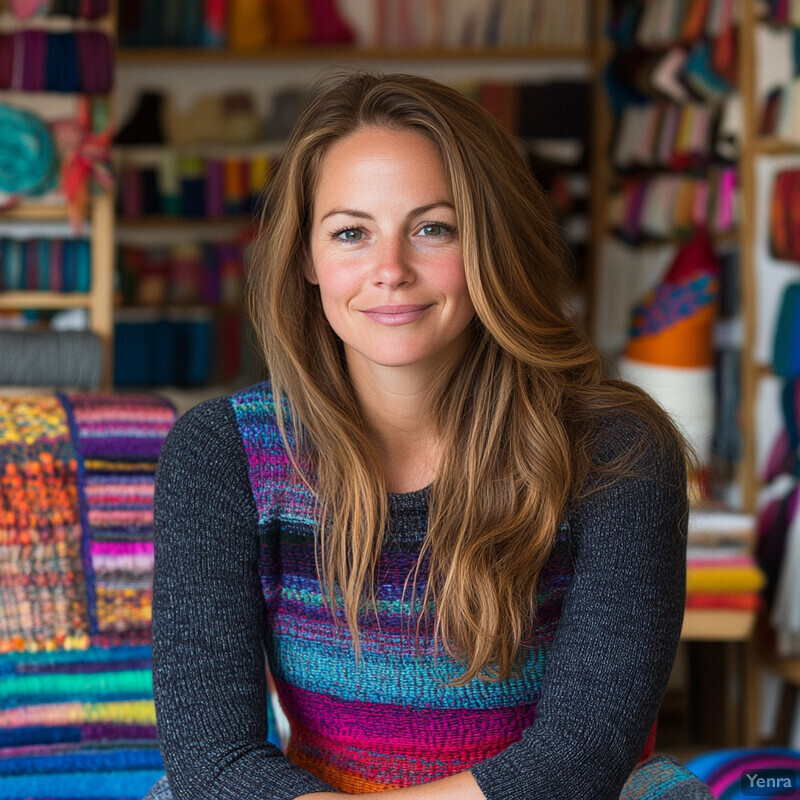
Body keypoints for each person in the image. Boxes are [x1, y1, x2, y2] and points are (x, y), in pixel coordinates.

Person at [144, 71, 713, 800]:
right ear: (307, 261)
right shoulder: (223, 455)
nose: (390, 271)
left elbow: (585, 752)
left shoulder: (616, 450)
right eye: (351, 232)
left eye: (432, 228)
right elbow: (213, 759)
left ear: (490, 244)